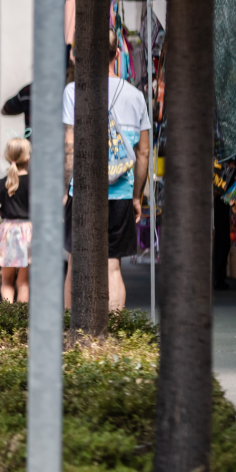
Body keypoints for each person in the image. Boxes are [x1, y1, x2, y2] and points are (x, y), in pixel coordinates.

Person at [63, 30, 150, 311]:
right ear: (117, 54)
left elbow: (69, 147)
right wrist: (136, 196)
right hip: (121, 194)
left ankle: (72, 333)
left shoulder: (74, 91)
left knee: (76, 263)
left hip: (84, 192)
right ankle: (114, 339)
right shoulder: (136, 96)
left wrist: (65, 190)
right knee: (113, 267)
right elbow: (144, 153)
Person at [0, 138, 32, 303]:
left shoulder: (1, 184)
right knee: (23, 282)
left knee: (6, 281)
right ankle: (20, 323)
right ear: (27, 158)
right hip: (28, 232)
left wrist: (3, 210)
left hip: (8, 233)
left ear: (8, 157)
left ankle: (7, 317)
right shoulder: (34, 183)